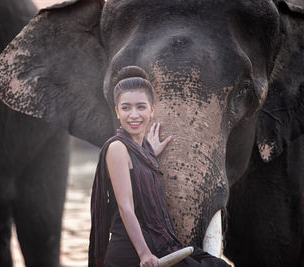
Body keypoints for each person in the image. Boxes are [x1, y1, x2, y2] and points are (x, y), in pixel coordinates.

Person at [88, 66, 230, 267]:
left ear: (152, 110)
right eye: (126, 108)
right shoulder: (117, 148)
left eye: (141, 107)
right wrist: (144, 254)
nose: (134, 115)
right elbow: (125, 207)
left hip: (160, 246)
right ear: (117, 112)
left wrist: (149, 154)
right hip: (133, 254)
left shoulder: (143, 151)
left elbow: (136, 171)